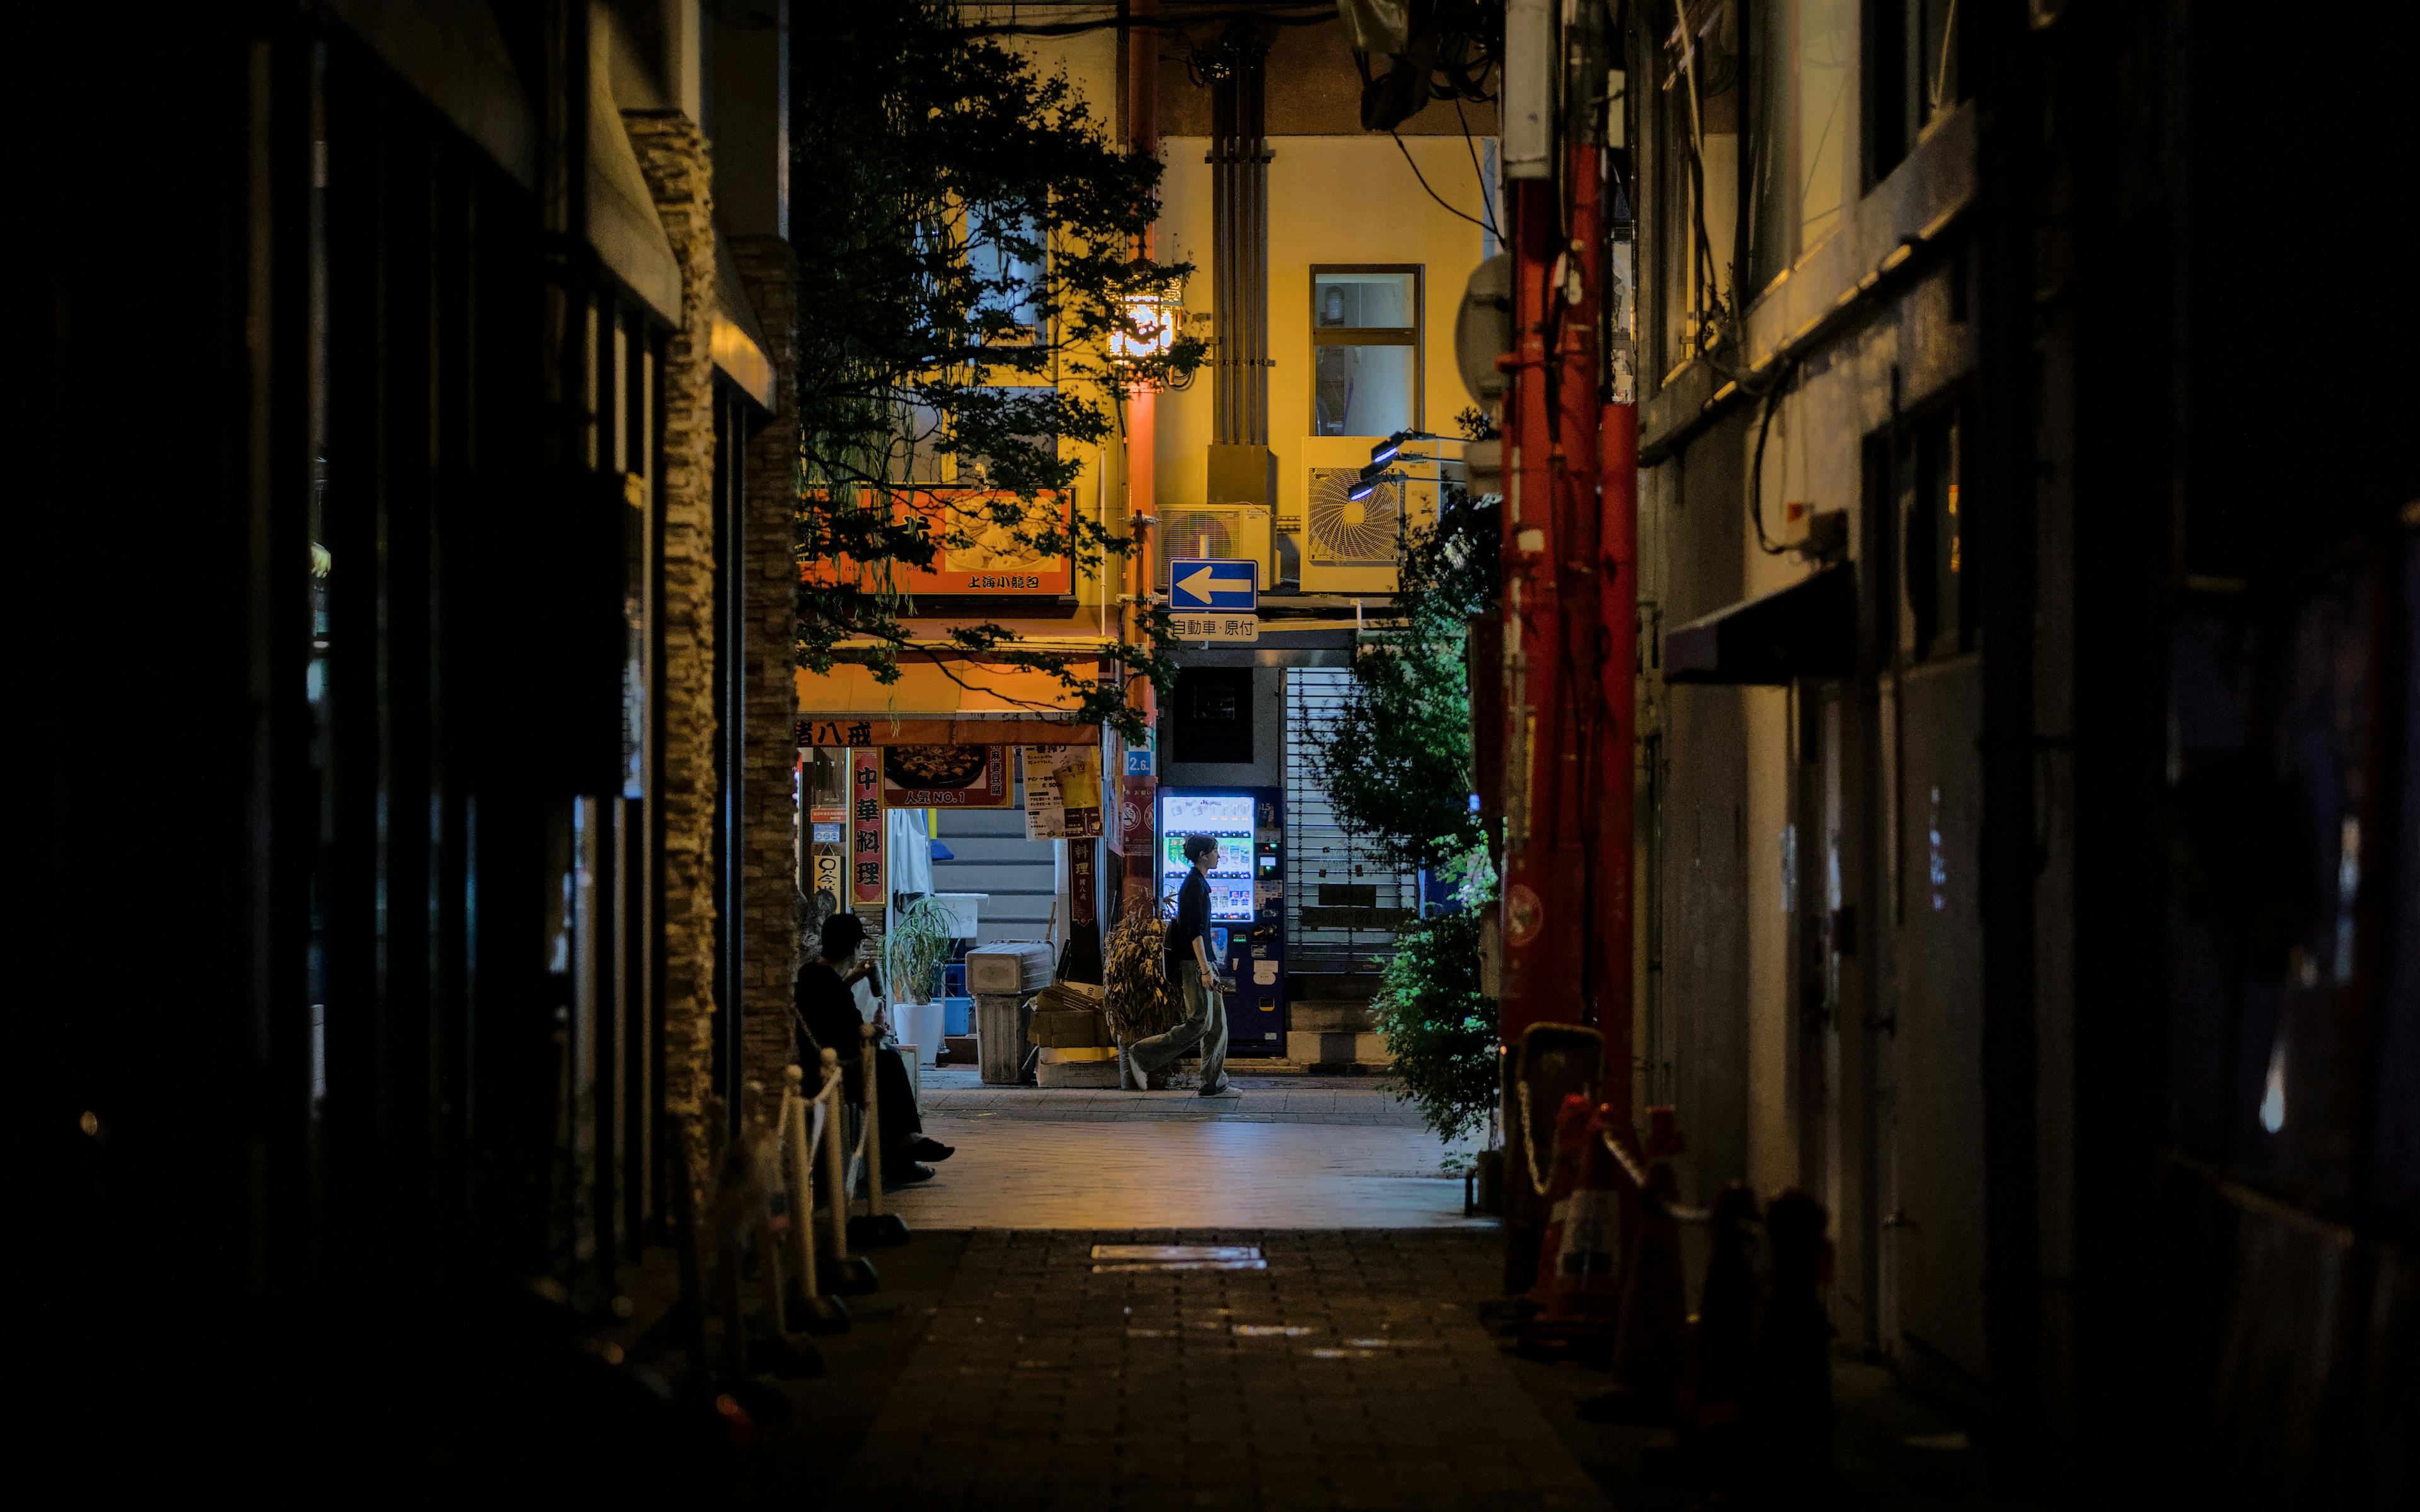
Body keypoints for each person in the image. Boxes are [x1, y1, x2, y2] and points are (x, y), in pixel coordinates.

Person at [795, 912, 954, 1184]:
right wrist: (877, 1030)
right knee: (889, 1063)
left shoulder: (810, 974)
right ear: (854, 948)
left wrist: (848, 982)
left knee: (885, 1066)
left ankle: (903, 1150)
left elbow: (827, 1010)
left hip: (813, 1062)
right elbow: (853, 1033)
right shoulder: (831, 984)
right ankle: (904, 1148)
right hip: (832, 1072)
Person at [1129, 833, 1238, 1097]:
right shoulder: (1193, 886)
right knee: (1200, 1022)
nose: (1219, 856)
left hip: (1204, 960)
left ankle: (1214, 1083)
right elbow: (1194, 932)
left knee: (1217, 1025)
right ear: (1203, 856)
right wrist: (1204, 970)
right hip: (1195, 963)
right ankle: (1141, 1054)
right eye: (1215, 851)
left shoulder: (1198, 883)